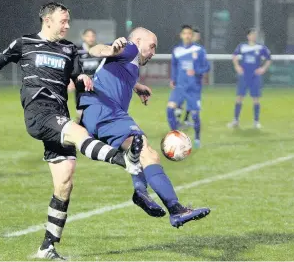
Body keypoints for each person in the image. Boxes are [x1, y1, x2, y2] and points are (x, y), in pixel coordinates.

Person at [0, 2, 141, 259]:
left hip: (59, 113)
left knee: (65, 181)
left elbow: (78, 77)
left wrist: (82, 81)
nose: (68, 25)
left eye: (68, 21)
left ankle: (47, 247)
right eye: (63, 21)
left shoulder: (69, 49)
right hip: (38, 112)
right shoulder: (24, 43)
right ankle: (123, 159)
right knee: (80, 135)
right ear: (47, 20)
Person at [79, 27, 210, 228]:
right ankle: (176, 210)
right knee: (148, 153)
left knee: (138, 150)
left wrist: (136, 86)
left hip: (97, 113)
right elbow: (96, 50)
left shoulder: (130, 64)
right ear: (138, 41)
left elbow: (113, 69)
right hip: (106, 111)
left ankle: (141, 192)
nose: (153, 52)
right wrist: (110, 49)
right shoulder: (130, 49)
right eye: (152, 46)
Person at [167, 25, 210, 148]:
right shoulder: (176, 50)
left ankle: (196, 139)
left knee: (195, 116)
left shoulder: (199, 50)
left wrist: (196, 71)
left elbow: (207, 67)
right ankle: (175, 138)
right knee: (170, 110)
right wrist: (173, 79)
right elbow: (174, 66)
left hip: (193, 88)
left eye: (189, 33)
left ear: (192, 36)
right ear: (181, 35)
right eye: (184, 33)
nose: (187, 35)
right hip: (180, 87)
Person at [228, 28, 271, 129]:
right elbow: (234, 56)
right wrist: (237, 66)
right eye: (252, 34)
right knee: (239, 97)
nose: (254, 36)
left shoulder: (261, 48)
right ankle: (235, 120)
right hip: (244, 76)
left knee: (256, 99)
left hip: (255, 76)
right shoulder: (242, 46)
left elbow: (269, 59)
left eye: (255, 35)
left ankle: (256, 122)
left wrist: (263, 68)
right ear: (248, 36)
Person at [73, 29, 103, 122]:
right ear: (83, 37)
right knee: (81, 111)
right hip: (81, 84)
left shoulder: (100, 50)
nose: (90, 38)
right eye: (88, 36)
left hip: (96, 84)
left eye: (92, 36)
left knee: (97, 109)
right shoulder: (78, 50)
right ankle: (79, 128)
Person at [176, 27, 202, 128]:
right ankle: (178, 120)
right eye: (195, 35)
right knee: (181, 100)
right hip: (184, 80)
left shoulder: (198, 50)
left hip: (194, 81)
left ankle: (186, 119)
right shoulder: (183, 50)